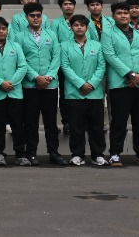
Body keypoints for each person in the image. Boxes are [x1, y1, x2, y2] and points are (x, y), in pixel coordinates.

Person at [101, 3, 139, 167]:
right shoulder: (108, 34)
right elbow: (110, 55)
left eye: (125, 13)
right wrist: (130, 74)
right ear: (113, 16)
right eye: (119, 13)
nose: (123, 15)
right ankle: (115, 153)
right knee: (119, 120)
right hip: (120, 83)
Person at [16, 3, 62, 165]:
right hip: (30, 85)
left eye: (38, 15)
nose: (36, 18)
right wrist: (36, 77)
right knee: (31, 121)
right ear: (26, 18)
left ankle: (54, 152)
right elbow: (20, 60)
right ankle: (32, 152)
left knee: (50, 121)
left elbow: (56, 57)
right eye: (32, 16)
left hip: (50, 85)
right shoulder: (19, 36)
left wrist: (48, 76)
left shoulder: (51, 35)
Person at [58, 15, 105, 167]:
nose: (79, 27)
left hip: (94, 92)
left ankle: (98, 154)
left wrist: (91, 84)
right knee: (76, 125)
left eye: (82, 25)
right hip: (74, 92)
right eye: (76, 25)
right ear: (71, 27)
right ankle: (77, 154)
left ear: (86, 27)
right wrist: (80, 84)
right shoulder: (64, 46)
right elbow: (65, 67)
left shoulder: (97, 46)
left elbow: (101, 66)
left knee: (96, 126)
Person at [0, 16, 28, 167]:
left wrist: (12, 82)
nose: (1, 31)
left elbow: (23, 66)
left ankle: (21, 154)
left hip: (15, 92)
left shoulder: (16, 46)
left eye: (4, 28)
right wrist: (0, 83)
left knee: (17, 124)